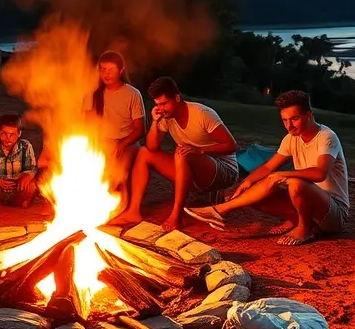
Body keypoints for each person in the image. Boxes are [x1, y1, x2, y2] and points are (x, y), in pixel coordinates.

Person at [184, 90, 349, 246]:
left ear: (309, 114)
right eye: (285, 120)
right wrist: (246, 183)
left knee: (295, 183)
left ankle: (304, 228)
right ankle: (295, 220)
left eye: (294, 119)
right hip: (309, 205)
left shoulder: (327, 137)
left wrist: (281, 175)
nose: (289, 126)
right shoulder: (291, 138)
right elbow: (269, 166)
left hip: (333, 214)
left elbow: (320, 173)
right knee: (253, 192)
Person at [109, 76, 240, 232]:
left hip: (223, 170)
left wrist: (200, 150)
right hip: (192, 169)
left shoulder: (202, 114)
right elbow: (152, 147)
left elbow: (232, 146)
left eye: (164, 103)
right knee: (144, 153)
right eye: (158, 104)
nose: (161, 108)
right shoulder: (166, 117)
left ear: (177, 98)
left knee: (181, 152)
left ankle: (176, 216)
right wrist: (155, 122)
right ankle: (133, 212)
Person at [84, 51, 145, 213]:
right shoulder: (94, 93)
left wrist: (122, 144)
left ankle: (123, 209)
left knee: (119, 172)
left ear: (121, 70)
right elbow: (88, 124)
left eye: (110, 69)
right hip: (103, 142)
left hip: (127, 142)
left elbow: (140, 129)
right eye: (102, 69)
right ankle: (94, 206)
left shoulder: (132, 94)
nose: (106, 74)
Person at [0, 114, 39, 215]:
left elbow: (33, 168)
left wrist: (27, 176)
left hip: (17, 188)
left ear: (19, 133)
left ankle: (20, 202)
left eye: (12, 134)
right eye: (4, 134)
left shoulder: (26, 146)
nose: (8, 138)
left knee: (32, 185)